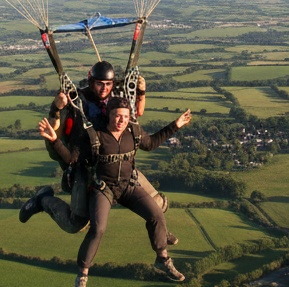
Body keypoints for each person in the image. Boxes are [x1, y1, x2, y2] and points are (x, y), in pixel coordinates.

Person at [39, 99, 192, 287]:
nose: (121, 120)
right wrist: (54, 140)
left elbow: (152, 143)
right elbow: (71, 158)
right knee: (98, 228)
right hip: (103, 189)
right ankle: (82, 275)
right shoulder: (95, 136)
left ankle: (162, 259)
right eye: (118, 116)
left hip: (128, 186)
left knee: (156, 213)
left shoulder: (133, 133)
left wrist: (176, 125)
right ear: (109, 115)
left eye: (126, 117)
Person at [19, 61, 177, 246]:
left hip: (118, 165)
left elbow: (136, 113)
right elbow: (57, 130)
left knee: (159, 204)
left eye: (108, 84)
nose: (104, 88)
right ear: (90, 79)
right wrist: (56, 107)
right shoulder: (75, 100)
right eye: (99, 83)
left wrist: (141, 92)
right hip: (87, 170)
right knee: (75, 223)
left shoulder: (116, 97)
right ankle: (43, 200)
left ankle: (160, 231)